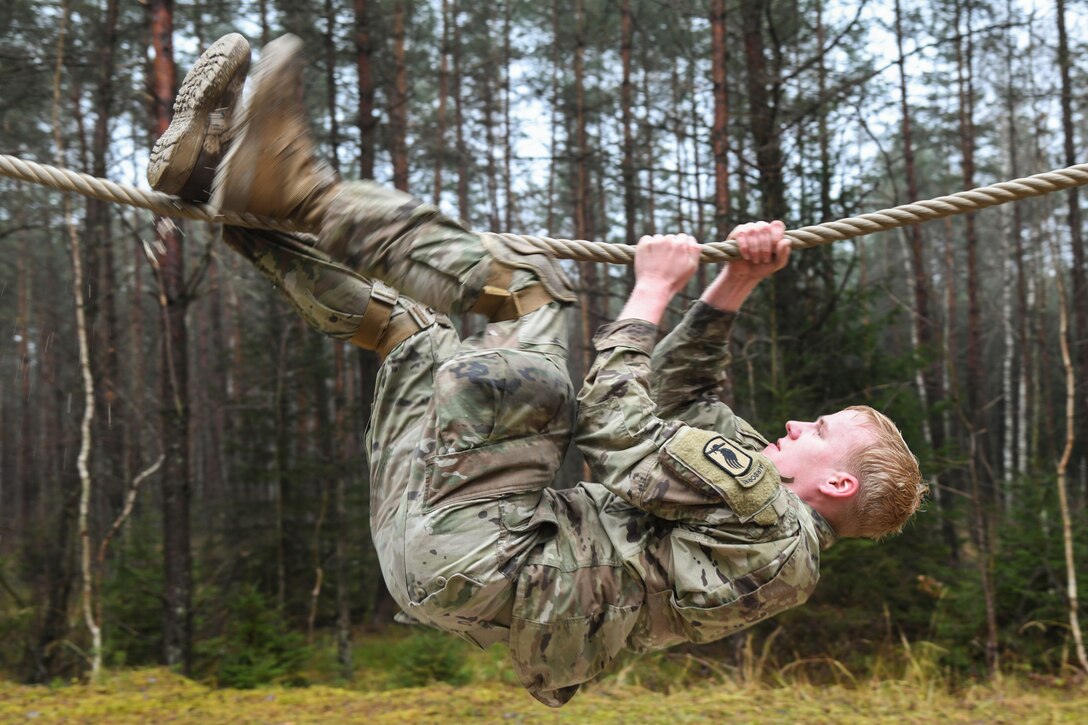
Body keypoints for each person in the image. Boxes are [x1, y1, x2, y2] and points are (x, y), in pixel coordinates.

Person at [151, 33, 926, 707]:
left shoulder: (764, 509)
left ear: (838, 483)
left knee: (534, 289)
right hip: (435, 565)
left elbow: (617, 420)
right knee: (418, 340)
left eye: (820, 429)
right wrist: (735, 283)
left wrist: (651, 290)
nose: (796, 423)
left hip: (487, 546)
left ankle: (295, 185)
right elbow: (685, 395)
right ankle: (221, 189)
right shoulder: (772, 541)